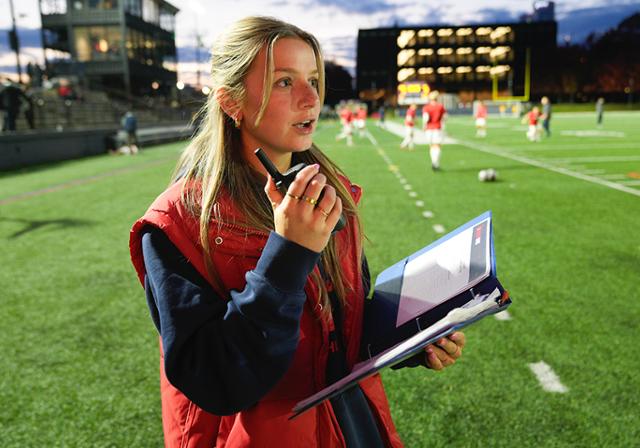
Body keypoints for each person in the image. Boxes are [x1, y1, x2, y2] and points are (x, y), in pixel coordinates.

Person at [129, 16, 465, 447]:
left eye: (312, 78)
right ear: (232, 102)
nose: (311, 98)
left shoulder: (330, 193)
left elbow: (341, 331)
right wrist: (287, 253)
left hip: (351, 425)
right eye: (285, 82)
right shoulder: (176, 222)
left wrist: (412, 338)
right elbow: (216, 380)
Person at [422, 91, 447, 171]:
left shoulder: (426, 107)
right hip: (437, 128)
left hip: (429, 129)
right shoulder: (440, 106)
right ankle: (436, 163)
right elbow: (445, 118)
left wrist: (424, 126)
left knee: (431, 146)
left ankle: (433, 162)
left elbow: (425, 118)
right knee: (437, 146)